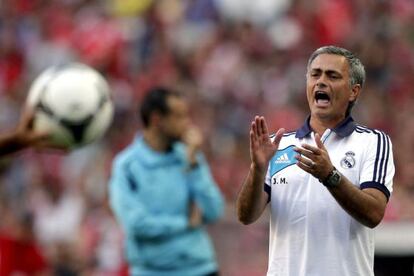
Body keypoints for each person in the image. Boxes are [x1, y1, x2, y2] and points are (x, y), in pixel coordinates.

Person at [236, 45, 395, 276]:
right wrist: (257, 169)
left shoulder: (373, 142)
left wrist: (330, 176)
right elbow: (245, 216)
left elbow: (373, 214)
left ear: (353, 91)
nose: (321, 81)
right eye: (315, 74)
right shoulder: (278, 145)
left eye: (332, 76)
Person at [108, 87, 224, 276]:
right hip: (151, 271)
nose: (187, 124)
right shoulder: (127, 166)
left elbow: (214, 210)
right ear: (156, 120)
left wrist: (194, 165)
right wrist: (185, 223)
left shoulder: (190, 156)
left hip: (200, 269)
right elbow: (136, 224)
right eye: (179, 116)